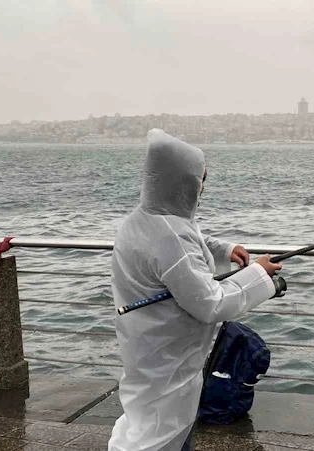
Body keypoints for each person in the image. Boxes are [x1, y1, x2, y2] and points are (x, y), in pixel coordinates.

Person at [108, 129, 283, 451]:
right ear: (181, 182)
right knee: (161, 427)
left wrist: (224, 250)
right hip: (168, 350)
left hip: (146, 341)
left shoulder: (144, 219)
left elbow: (188, 243)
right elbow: (210, 303)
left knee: (143, 416)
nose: (202, 188)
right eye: (200, 179)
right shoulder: (168, 236)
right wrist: (260, 274)